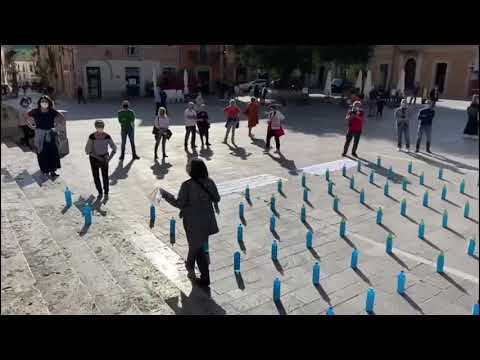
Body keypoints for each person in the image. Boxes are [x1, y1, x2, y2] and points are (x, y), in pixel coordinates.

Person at [159, 158, 220, 287]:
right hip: (208, 221)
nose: (186, 167)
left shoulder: (187, 185)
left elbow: (179, 203)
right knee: (199, 246)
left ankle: (205, 278)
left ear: (192, 170)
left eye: (188, 166)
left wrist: (165, 195)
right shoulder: (210, 182)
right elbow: (217, 198)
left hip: (193, 222)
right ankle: (190, 265)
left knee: (198, 249)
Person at [27, 95, 65, 178]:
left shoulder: (52, 111)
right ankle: (44, 170)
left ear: (49, 103)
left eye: (46, 101)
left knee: (52, 152)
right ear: (39, 102)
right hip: (40, 135)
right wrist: (31, 126)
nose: (44, 103)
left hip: (50, 134)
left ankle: (52, 171)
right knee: (41, 152)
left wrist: (57, 127)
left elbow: (62, 117)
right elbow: (27, 116)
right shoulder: (35, 111)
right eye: (42, 101)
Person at [85, 120, 116, 199]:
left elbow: (114, 148)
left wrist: (109, 158)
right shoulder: (92, 137)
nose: (100, 129)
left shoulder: (107, 136)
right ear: (96, 127)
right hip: (95, 158)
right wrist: (101, 157)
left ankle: (105, 192)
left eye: (101, 127)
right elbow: (87, 151)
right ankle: (100, 192)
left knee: (104, 176)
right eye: (99, 127)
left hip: (103, 158)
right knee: (96, 176)